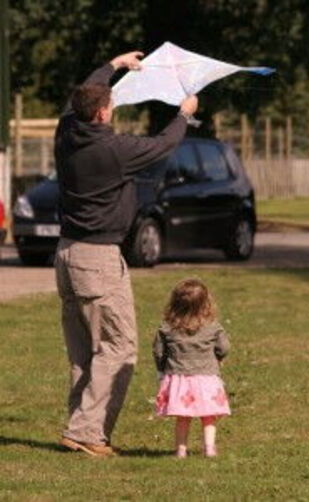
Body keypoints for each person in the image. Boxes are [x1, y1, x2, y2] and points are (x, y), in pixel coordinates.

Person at [55, 50, 198, 457]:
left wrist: (113, 66)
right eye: (110, 104)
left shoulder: (66, 130)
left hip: (66, 256)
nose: (113, 108)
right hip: (97, 259)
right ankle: (87, 432)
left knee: (85, 352)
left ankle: (79, 428)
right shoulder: (115, 150)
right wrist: (184, 114)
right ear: (101, 114)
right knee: (119, 348)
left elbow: (76, 97)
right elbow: (165, 143)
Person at [152, 278, 231, 458]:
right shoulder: (212, 327)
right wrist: (218, 357)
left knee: (183, 417)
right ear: (206, 303)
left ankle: (181, 450)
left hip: (180, 379)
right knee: (209, 416)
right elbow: (224, 347)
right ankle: (209, 448)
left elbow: (158, 351)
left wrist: (161, 369)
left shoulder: (167, 328)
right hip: (207, 379)